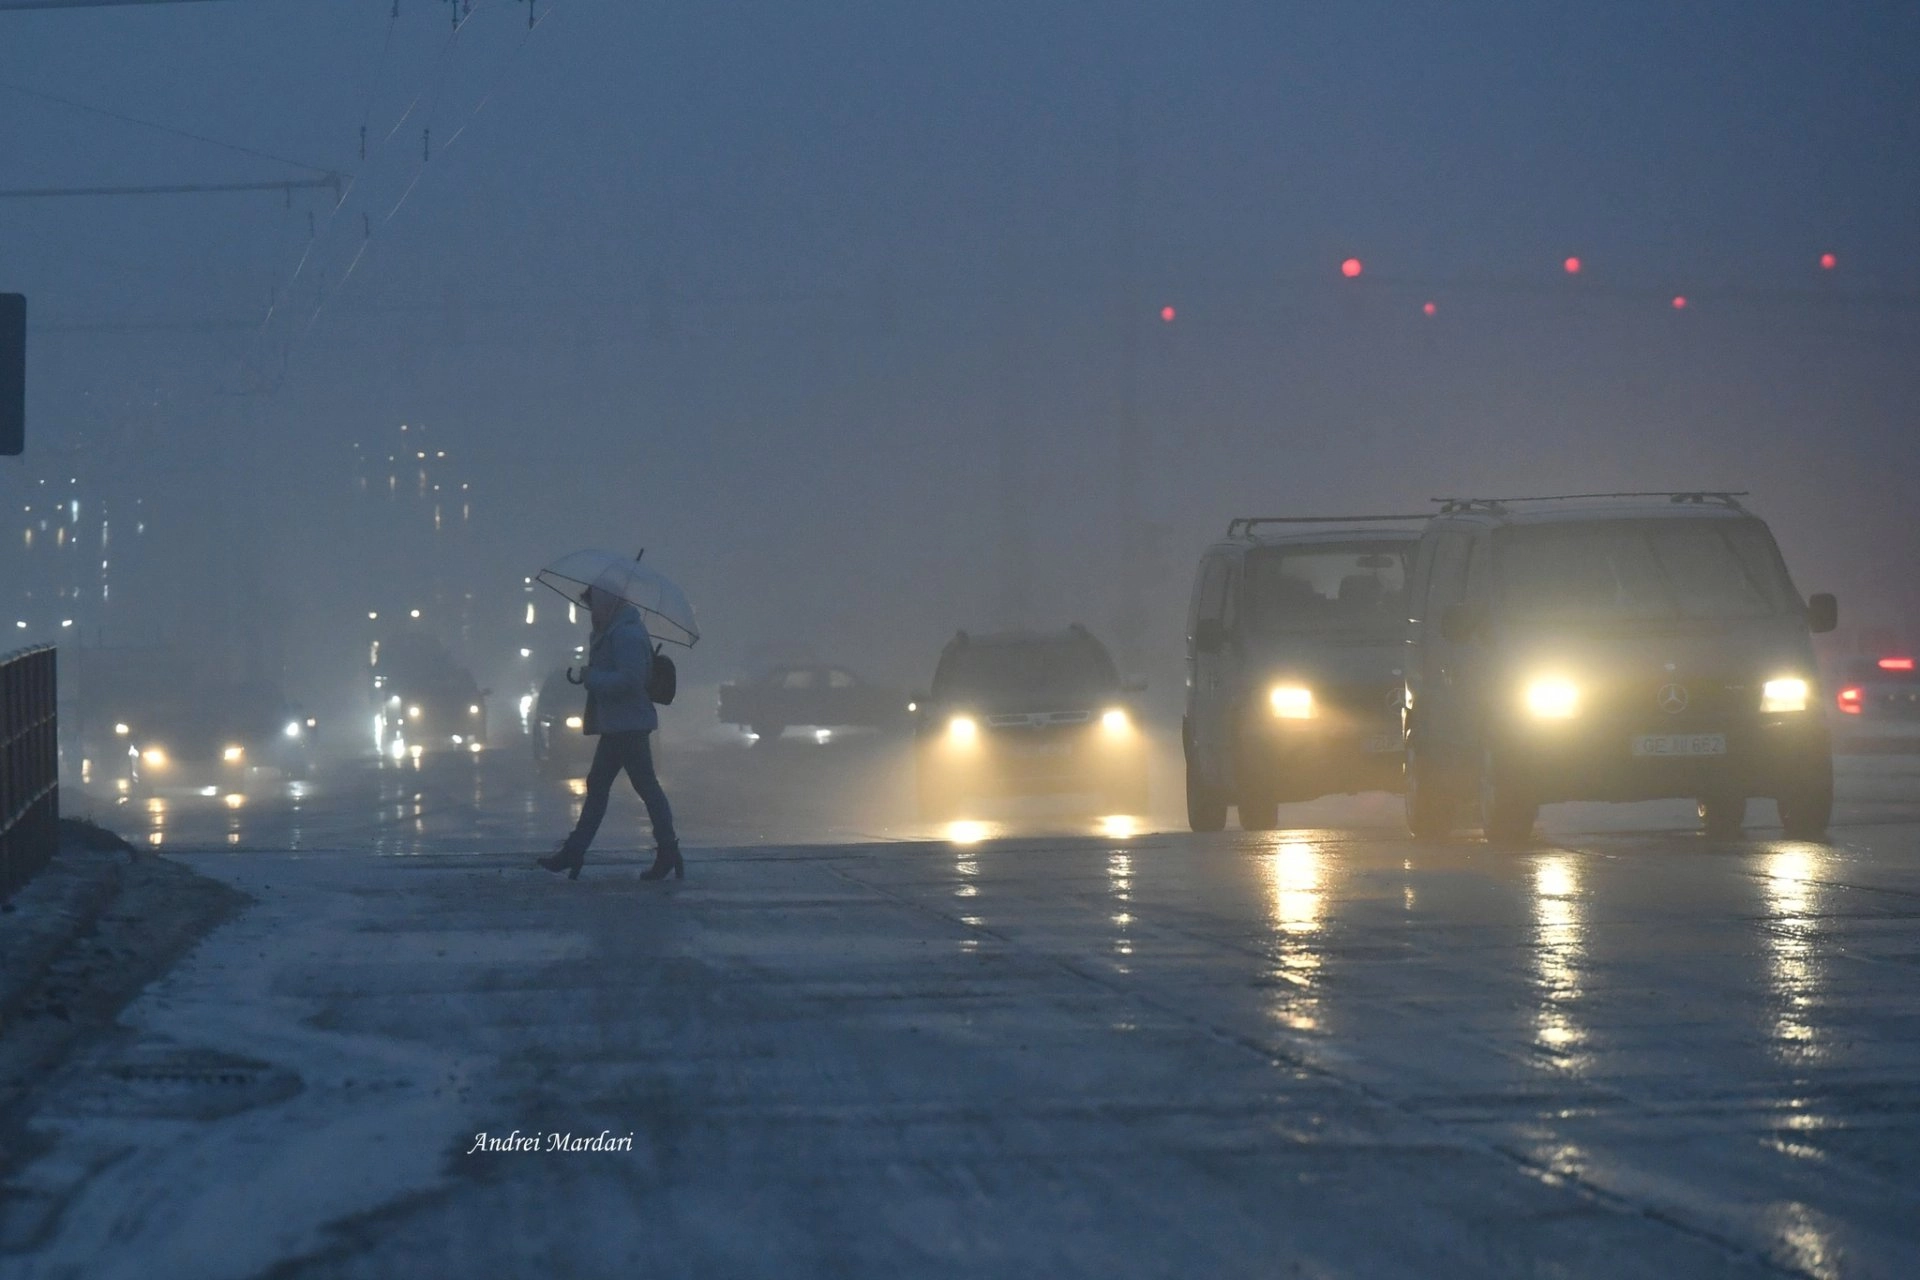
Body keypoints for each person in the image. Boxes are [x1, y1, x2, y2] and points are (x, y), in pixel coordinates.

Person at [537, 585, 682, 881]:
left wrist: (593, 678)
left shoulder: (625, 635)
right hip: (619, 724)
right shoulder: (615, 632)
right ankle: (578, 851)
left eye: (593, 607)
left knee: (640, 788)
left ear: (607, 604)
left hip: (627, 726)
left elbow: (630, 680)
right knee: (611, 787)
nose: (591, 614)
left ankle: (579, 852)